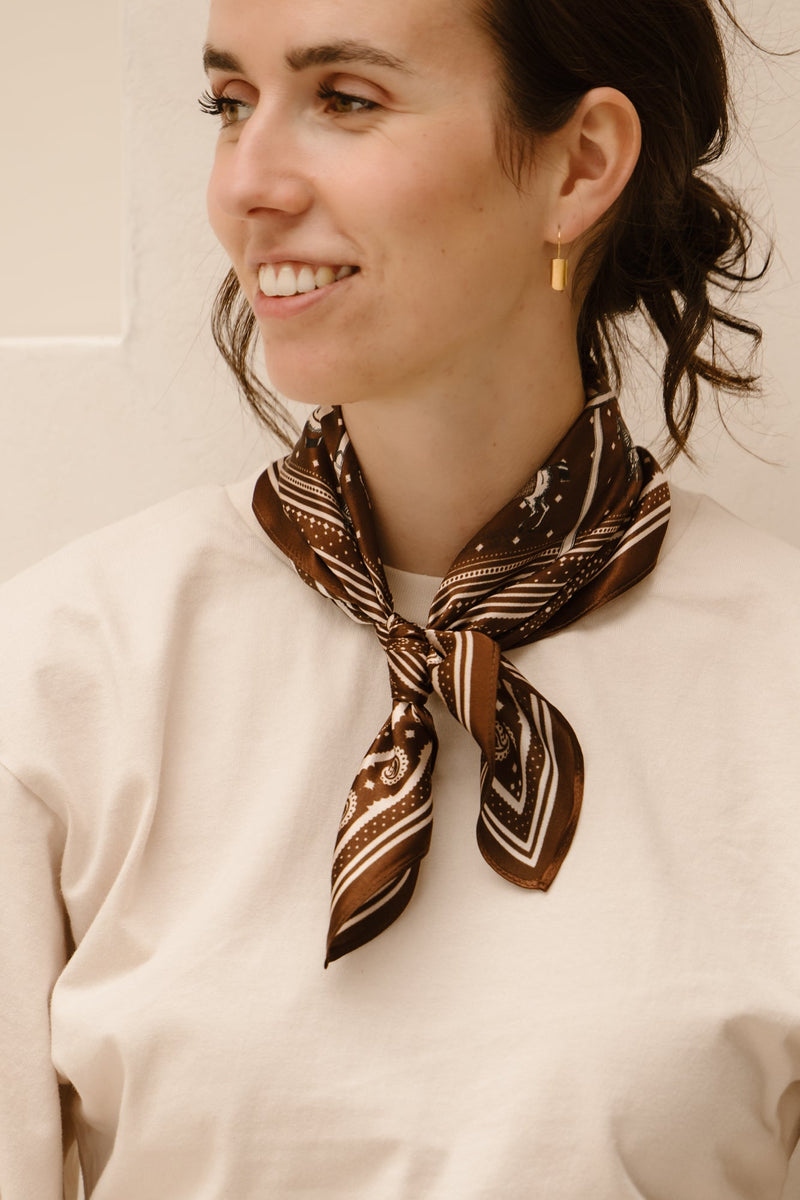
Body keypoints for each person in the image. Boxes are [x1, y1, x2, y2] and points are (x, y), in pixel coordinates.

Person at [1, 0, 798, 1196]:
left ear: (579, 165)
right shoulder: (64, 674)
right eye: (230, 104)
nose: (246, 186)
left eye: (345, 99)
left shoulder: (777, 682)